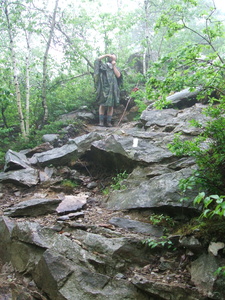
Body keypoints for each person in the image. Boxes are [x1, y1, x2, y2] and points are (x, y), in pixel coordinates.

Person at [94, 53, 122, 127]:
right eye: (112, 58)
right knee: (102, 104)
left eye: (114, 58)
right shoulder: (103, 66)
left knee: (111, 105)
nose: (113, 59)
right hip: (104, 87)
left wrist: (114, 66)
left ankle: (109, 122)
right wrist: (106, 55)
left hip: (113, 88)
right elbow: (97, 60)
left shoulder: (116, 67)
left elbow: (118, 75)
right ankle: (101, 122)